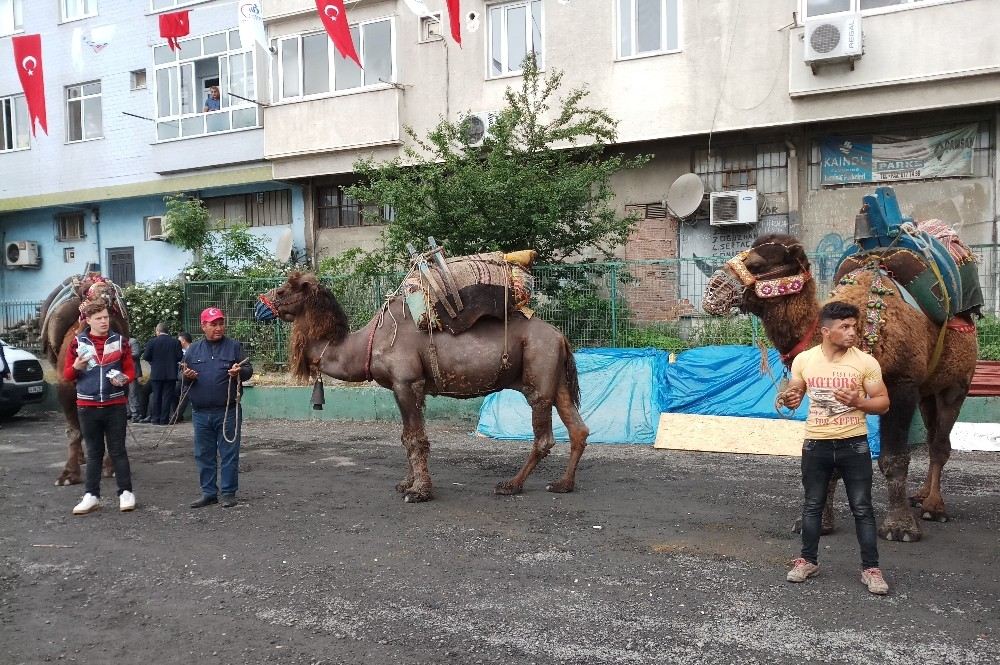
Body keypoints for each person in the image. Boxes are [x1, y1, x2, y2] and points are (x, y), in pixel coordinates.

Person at [779, 301, 891, 595]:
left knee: (863, 508)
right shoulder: (804, 360)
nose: (852, 331)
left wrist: (859, 403)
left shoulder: (866, 362)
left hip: (854, 444)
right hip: (815, 443)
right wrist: (790, 399)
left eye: (854, 325)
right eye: (845, 327)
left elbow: (883, 402)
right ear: (826, 331)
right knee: (813, 505)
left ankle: (871, 569)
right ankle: (807, 561)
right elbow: (796, 392)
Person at [64, 301, 137, 515]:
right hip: (87, 406)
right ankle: (91, 495)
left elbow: (130, 372)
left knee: (118, 451)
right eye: (99, 318)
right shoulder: (77, 343)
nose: (104, 321)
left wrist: (124, 379)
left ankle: (126, 492)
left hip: (115, 405)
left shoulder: (120, 341)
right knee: (94, 453)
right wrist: (76, 368)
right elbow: (67, 375)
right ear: (88, 321)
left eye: (106, 317)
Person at [182, 307, 253, 509]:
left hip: (228, 411)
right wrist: (187, 376)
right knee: (203, 454)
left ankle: (229, 492)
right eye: (213, 324)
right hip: (201, 412)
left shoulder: (234, 347)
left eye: (221, 323)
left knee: (229, 453)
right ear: (203, 326)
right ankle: (209, 493)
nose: (219, 328)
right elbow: (183, 379)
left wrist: (239, 371)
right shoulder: (193, 350)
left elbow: (248, 369)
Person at [142, 323, 183, 425]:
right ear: (167, 331)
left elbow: (146, 356)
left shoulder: (152, 342)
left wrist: (154, 361)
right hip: (171, 374)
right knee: (167, 396)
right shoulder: (175, 342)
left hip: (156, 373)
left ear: (157, 331)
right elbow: (179, 356)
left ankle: (155, 418)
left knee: (156, 396)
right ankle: (164, 419)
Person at [173, 331, 193, 422]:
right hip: (182, 377)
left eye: (179, 340)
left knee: (184, 395)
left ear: (184, 341)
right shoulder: (181, 351)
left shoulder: (193, 349)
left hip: (190, 376)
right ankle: (177, 416)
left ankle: (176, 417)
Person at [127, 336, 144, 422]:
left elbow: (136, 353)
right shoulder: (118, 341)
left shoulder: (133, 341)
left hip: (132, 372)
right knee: (125, 394)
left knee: (133, 394)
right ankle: (128, 413)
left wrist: (124, 354)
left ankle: (135, 414)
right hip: (122, 372)